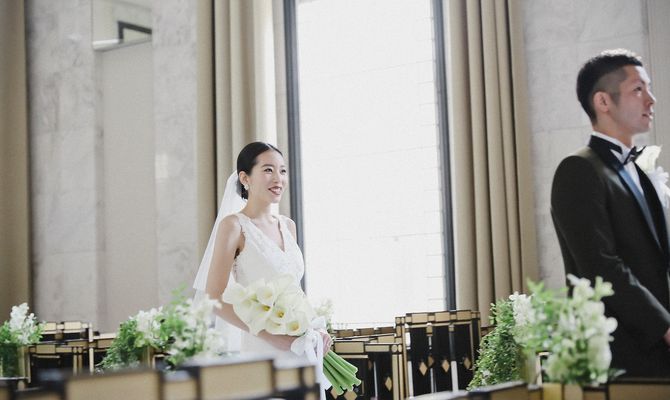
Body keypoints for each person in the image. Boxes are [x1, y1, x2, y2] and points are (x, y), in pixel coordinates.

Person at [551, 49, 670, 376]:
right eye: (638, 89)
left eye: (648, 89)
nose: (651, 100)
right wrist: (664, 327)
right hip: (622, 355)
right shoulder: (578, 170)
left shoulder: (640, 172)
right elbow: (601, 265)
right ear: (603, 101)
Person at [192, 142, 332, 385]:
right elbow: (214, 298)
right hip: (264, 349)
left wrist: (314, 330)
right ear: (245, 178)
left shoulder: (288, 226)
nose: (278, 178)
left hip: (301, 347)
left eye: (282, 170)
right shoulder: (233, 226)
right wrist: (269, 335)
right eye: (268, 170)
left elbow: (294, 291)